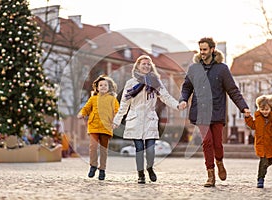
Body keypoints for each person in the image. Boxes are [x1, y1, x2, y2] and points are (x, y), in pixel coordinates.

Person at [179, 37, 250, 187]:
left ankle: (220, 162)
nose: (202, 53)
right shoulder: (194, 68)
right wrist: (183, 99)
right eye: (200, 50)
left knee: (218, 143)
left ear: (212, 49)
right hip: (201, 112)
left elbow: (232, 90)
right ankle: (210, 175)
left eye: (205, 49)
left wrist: (243, 107)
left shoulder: (222, 69)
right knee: (207, 141)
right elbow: (186, 87)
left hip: (217, 111)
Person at [113, 55, 183, 184]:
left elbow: (165, 97)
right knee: (139, 149)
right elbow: (124, 104)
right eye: (143, 64)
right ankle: (141, 174)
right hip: (135, 119)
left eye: (148, 64)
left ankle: (150, 168)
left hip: (150, 118)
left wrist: (177, 105)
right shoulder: (131, 83)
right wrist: (117, 120)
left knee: (150, 149)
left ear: (151, 67)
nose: (146, 66)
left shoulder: (155, 82)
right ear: (138, 66)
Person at [77, 75, 119, 180]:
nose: (103, 87)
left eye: (105, 85)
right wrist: (82, 113)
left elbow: (117, 111)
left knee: (104, 150)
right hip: (94, 126)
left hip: (106, 127)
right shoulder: (93, 98)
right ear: (97, 87)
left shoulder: (112, 99)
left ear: (109, 87)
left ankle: (102, 169)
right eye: (101, 85)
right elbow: (86, 108)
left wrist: (116, 122)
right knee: (93, 147)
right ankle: (93, 165)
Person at [244, 94, 272, 188]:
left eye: (266, 109)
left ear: (271, 108)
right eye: (262, 109)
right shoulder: (258, 117)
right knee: (263, 160)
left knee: (270, 161)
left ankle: (263, 172)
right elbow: (253, 125)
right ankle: (260, 179)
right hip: (261, 143)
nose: (264, 112)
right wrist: (248, 117)